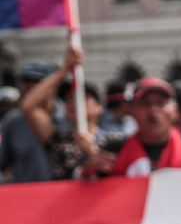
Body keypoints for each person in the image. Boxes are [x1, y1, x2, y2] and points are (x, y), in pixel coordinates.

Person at [78, 77, 181, 178]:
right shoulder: (112, 153)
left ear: (175, 111)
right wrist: (86, 172)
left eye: (161, 103)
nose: (153, 111)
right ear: (131, 112)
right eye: (145, 104)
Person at [18, 47, 123, 180]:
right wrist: (65, 69)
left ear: (99, 107)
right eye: (68, 99)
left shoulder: (115, 140)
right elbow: (28, 106)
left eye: (82, 97)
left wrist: (91, 150)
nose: (74, 102)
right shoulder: (58, 141)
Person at [0, 61, 55, 183]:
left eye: (37, 81)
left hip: (63, 195)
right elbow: (3, 163)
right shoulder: (12, 121)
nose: (30, 85)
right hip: (26, 195)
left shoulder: (67, 116)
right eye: (26, 81)